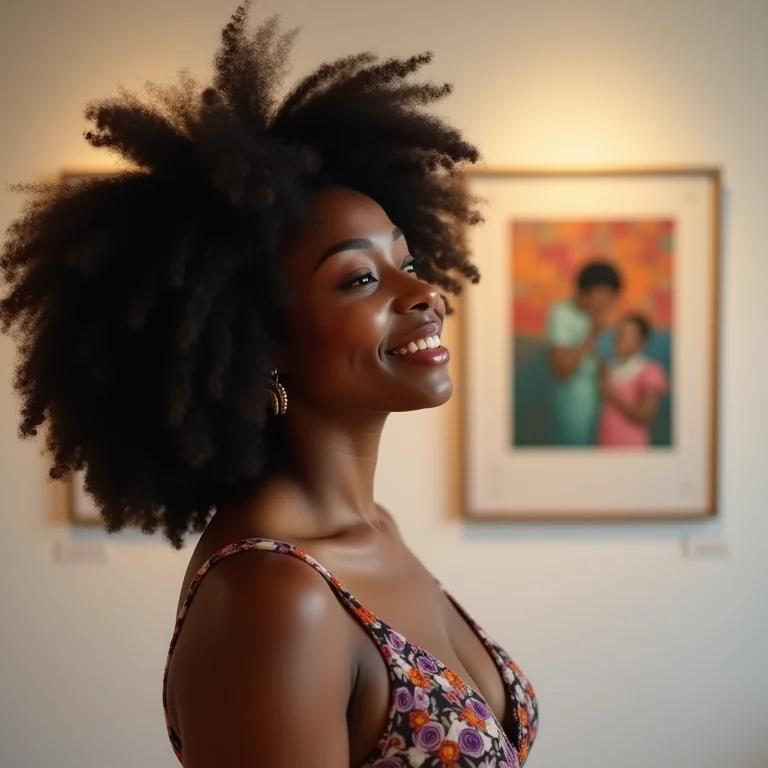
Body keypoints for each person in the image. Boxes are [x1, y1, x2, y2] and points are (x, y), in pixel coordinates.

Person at [0, 4, 538, 767]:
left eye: (407, 263)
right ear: (262, 345)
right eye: (358, 277)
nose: (423, 295)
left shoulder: (372, 529)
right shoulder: (273, 597)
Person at [546, 260, 623, 446]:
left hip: (596, 407)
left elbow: (597, 362)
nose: (609, 303)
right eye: (608, 296)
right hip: (572, 408)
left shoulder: (592, 316)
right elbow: (562, 370)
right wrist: (593, 334)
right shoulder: (561, 312)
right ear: (593, 290)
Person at [597, 313, 669, 447]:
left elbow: (646, 414)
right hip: (606, 446)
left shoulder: (650, 370)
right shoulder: (610, 369)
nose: (621, 339)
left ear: (642, 341)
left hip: (632, 448)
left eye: (628, 335)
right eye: (619, 334)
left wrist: (613, 394)